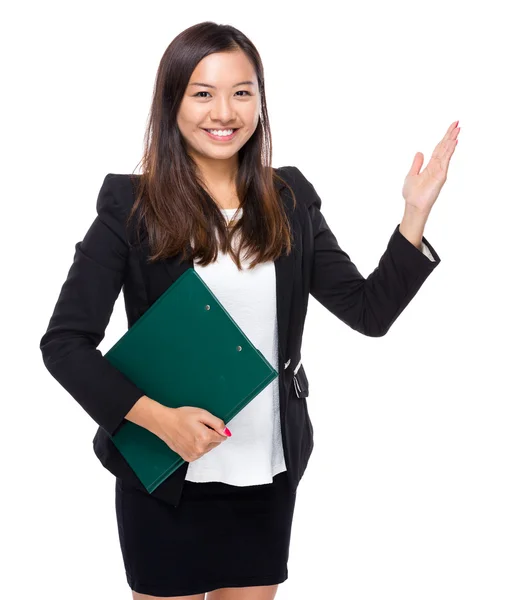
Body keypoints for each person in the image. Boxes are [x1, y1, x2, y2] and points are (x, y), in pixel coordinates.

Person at [39, 20, 459, 600]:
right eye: (202, 93)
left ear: (261, 101)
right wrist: (161, 421)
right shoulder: (130, 206)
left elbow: (369, 311)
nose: (225, 112)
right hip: (166, 477)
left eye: (242, 92)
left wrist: (413, 216)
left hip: (265, 472)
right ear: (172, 102)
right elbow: (63, 344)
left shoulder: (288, 198)